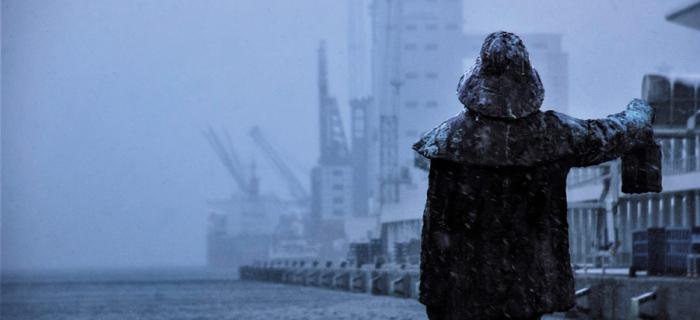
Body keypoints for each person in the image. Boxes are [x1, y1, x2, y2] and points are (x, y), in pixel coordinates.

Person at [413, 31, 659, 320]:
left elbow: (437, 229)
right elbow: (608, 135)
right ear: (527, 79)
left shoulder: (447, 140)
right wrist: (638, 115)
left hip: (459, 289)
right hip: (524, 287)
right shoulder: (551, 134)